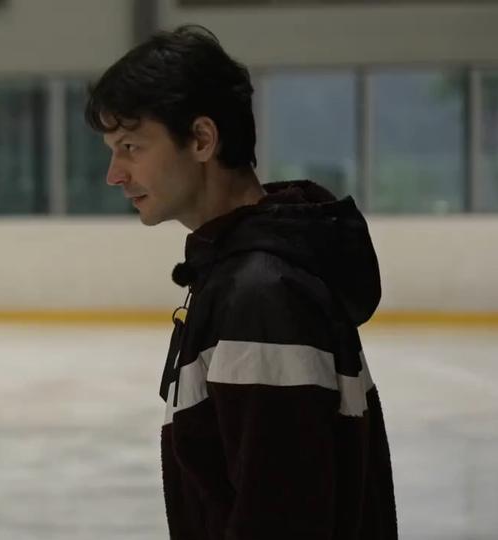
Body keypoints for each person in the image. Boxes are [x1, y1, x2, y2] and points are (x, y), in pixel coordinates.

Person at [85, 25, 397, 539]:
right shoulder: (243, 273)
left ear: (202, 140)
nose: (114, 174)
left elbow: (282, 519)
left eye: (131, 146)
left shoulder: (262, 295)